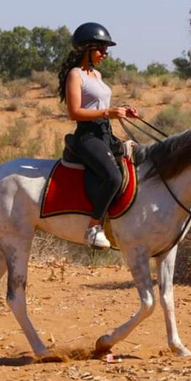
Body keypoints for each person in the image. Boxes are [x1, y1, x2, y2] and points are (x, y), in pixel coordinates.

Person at [57, 22, 138, 249]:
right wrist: (108, 112)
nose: (104, 54)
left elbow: (101, 105)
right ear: (87, 49)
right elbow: (75, 112)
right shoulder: (75, 75)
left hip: (105, 133)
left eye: (106, 51)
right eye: (101, 50)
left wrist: (123, 110)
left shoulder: (97, 74)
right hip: (87, 136)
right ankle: (94, 227)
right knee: (113, 177)